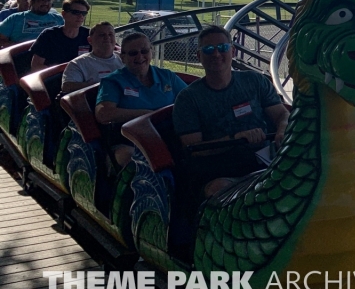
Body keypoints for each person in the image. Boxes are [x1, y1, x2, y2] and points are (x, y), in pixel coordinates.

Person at [173, 25, 288, 199]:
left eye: (223, 48)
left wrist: (282, 129)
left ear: (232, 51)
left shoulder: (255, 81)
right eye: (209, 49)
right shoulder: (188, 99)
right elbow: (193, 147)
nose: (216, 54)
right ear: (199, 56)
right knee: (220, 189)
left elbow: (281, 114)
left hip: (263, 157)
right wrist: (236, 139)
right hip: (217, 167)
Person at [96, 32, 187, 166]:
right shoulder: (113, 81)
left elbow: (191, 100)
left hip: (169, 135)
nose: (140, 56)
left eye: (144, 51)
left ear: (151, 52)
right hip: (128, 139)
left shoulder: (167, 76)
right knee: (137, 161)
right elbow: (103, 114)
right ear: (123, 57)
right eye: (133, 53)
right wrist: (145, 115)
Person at [30, 0, 91, 70]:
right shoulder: (49, 35)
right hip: (54, 77)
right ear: (63, 14)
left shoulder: (90, 35)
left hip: (83, 78)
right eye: (75, 12)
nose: (80, 16)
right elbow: (36, 66)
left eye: (84, 13)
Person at [61, 22, 122, 94]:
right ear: (90, 40)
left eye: (110, 34)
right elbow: (67, 86)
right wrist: (101, 85)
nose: (107, 37)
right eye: (102, 35)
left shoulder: (126, 59)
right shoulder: (78, 63)